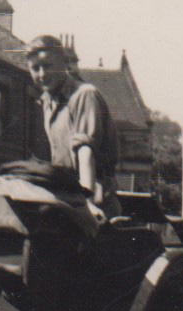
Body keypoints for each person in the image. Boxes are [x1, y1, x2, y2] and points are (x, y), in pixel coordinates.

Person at [25, 34, 121, 222]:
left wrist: (87, 202)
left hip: (96, 204)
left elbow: (85, 152)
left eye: (48, 65)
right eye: (36, 68)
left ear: (63, 63)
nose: (42, 74)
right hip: (68, 201)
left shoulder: (83, 95)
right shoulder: (47, 102)